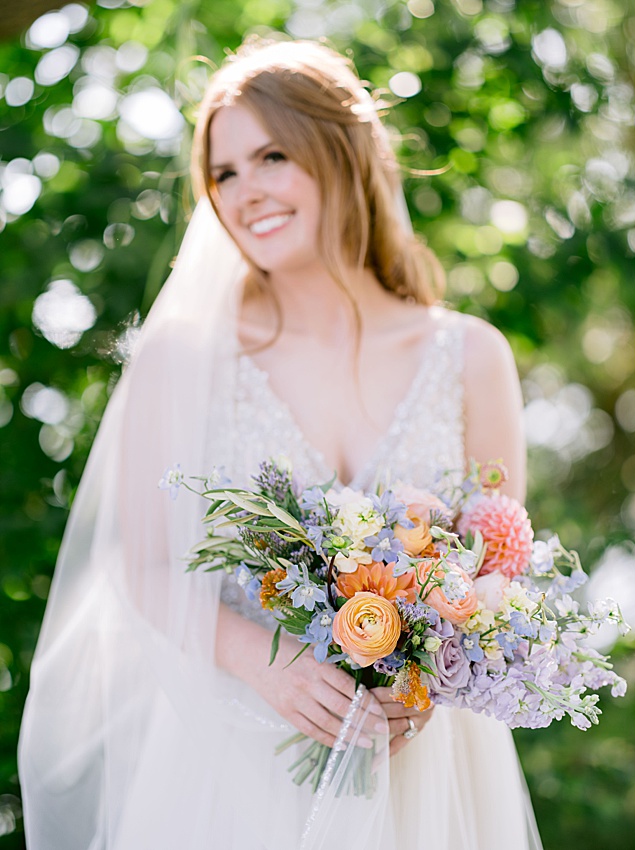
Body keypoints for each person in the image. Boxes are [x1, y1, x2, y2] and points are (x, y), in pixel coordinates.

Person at [19, 40, 541, 849]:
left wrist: (427, 680)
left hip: (426, 778)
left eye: (271, 155)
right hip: (228, 760)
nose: (245, 191)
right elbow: (145, 564)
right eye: (223, 173)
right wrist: (264, 664)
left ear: (341, 150)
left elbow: (498, 569)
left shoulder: (471, 356)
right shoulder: (184, 359)